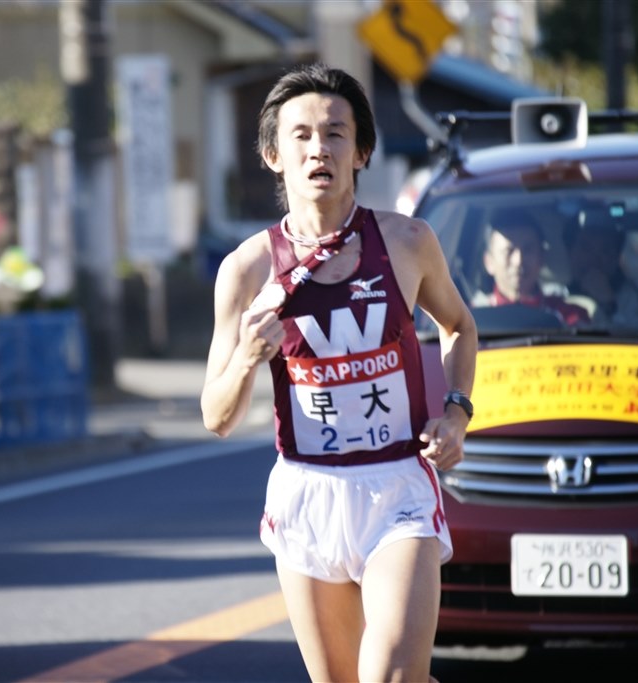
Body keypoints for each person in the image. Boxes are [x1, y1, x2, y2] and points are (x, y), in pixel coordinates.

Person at [200, 63, 478, 683]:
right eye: (300, 135)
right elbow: (215, 417)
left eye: (334, 133)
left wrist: (457, 411)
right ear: (273, 155)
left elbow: (459, 326)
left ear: (362, 152)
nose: (317, 149)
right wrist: (248, 356)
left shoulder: (407, 242)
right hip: (307, 493)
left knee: (392, 678)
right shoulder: (246, 270)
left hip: (396, 488)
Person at [475, 207, 591, 326]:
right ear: (489, 262)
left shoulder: (571, 318)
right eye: (508, 251)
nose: (518, 261)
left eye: (528, 250)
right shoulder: (470, 323)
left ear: (541, 257)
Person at [565, 208, 638, 327]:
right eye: (586, 248)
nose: (594, 259)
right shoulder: (552, 295)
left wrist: (609, 304)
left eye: (605, 251)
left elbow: (635, 341)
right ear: (571, 252)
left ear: (616, 258)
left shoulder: (633, 298)